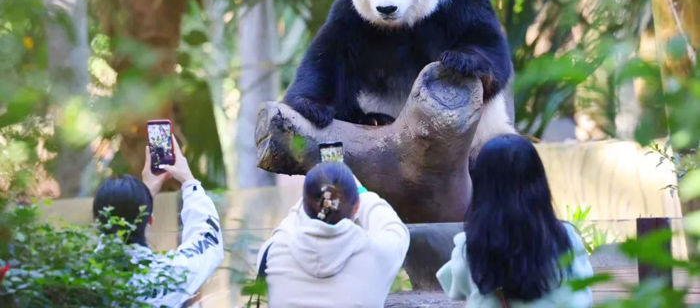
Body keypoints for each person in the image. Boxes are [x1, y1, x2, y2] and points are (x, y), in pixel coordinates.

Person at [437, 134, 594, 307]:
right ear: (539, 186)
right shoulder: (566, 239)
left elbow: (456, 289)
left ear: (482, 188)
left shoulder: (470, 248)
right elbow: (583, 293)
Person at [257, 161, 410, 308]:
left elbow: (285, 228)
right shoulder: (377, 254)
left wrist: (316, 193)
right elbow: (393, 226)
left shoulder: (272, 255)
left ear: (304, 206)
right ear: (356, 207)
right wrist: (361, 192)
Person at [93, 137, 224, 307]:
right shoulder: (169, 274)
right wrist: (188, 180)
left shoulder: (84, 277)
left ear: (96, 223)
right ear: (150, 219)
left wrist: (144, 196)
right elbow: (208, 241)